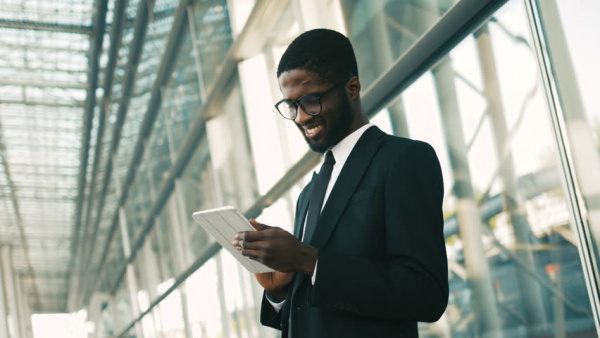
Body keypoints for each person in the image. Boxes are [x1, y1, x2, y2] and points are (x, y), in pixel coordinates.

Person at [232, 28, 448, 337]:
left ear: (352, 88)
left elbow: (426, 294)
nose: (301, 117)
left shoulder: (404, 160)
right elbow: (316, 311)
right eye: (291, 105)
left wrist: (308, 259)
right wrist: (279, 291)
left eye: (311, 100)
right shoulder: (309, 193)